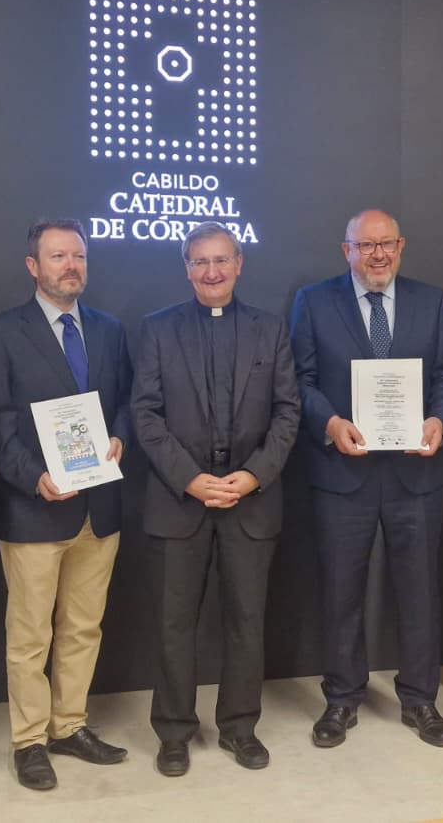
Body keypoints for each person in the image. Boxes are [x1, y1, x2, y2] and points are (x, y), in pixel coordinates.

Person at [289, 208, 443, 748]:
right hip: (344, 471)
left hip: (417, 472)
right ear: (346, 250)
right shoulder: (314, 302)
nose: (377, 255)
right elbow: (300, 380)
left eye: (386, 244)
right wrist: (330, 423)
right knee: (341, 591)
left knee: (419, 592)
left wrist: (440, 421)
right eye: (365, 246)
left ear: (402, 245)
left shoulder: (431, 300)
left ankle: (421, 700)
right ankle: (342, 699)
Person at [131, 222, 301, 776]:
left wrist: (252, 476)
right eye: (200, 262)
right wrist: (189, 478)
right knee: (174, 624)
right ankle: (174, 731)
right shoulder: (158, 329)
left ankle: (240, 726)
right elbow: (146, 414)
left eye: (221, 260)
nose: (211, 271)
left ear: (239, 263)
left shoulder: (270, 329)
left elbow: (287, 413)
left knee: (246, 622)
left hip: (250, 502)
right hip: (179, 502)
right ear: (186, 267)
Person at [0, 219, 133, 791]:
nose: (72, 265)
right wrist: (34, 478)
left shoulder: (110, 330)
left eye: (79, 256)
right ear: (33, 266)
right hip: (34, 507)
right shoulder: (2, 331)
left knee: (83, 628)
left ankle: (70, 726)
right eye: (58, 256)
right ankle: (29, 740)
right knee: (30, 634)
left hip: (100, 507)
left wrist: (120, 437)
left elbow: (127, 403)